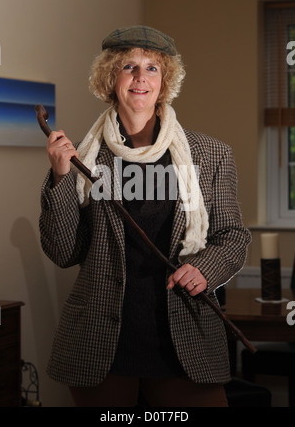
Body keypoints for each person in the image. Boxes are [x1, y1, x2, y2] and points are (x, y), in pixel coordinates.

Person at [39, 25, 251, 407]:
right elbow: (64, 251)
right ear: (110, 77)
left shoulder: (210, 154)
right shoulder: (85, 158)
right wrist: (60, 178)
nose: (140, 78)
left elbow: (233, 236)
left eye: (152, 68)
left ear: (165, 80)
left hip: (183, 335)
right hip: (102, 341)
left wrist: (205, 268)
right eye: (128, 67)